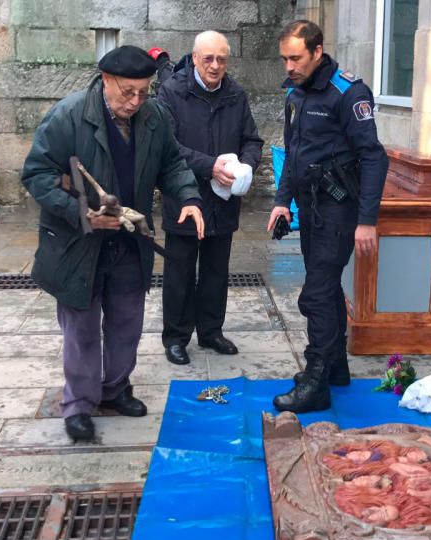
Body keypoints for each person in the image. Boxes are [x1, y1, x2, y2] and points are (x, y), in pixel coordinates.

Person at [22, 45, 205, 441]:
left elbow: (172, 163)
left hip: (127, 241)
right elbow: (37, 175)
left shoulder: (152, 116)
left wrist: (189, 198)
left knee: (126, 323)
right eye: (127, 92)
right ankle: (79, 404)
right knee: (82, 329)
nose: (136, 101)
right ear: (105, 81)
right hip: (78, 244)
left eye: (143, 92)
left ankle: (116, 389)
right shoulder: (69, 116)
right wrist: (80, 212)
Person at [268, 20, 389, 413]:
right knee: (328, 287)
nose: (289, 66)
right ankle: (336, 366)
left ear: (318, 52)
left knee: (315, 294)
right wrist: (282, 201)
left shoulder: (347, 93)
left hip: (340, 210)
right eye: (285, 58)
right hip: (310, 207)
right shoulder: (296, 94)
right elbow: (293, 151)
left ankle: (316, 381)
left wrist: (367, 221)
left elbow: (373, 156)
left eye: (296, 58)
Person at [158, 30, 264, 365]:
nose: (215, 66)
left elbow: (252, 140)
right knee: (180, 272)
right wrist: (210, 166)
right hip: (185, 199)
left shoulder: (236, 93)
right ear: (195, 58)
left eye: (221, 59)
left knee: (217, 271)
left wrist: (245, 166)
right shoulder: (171, 92)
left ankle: (211, 331)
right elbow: (166, 146)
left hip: (223, 201)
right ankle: (176, 337)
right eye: (208, 59)